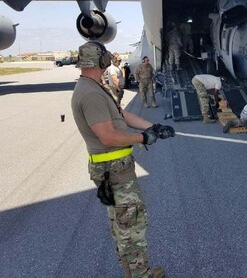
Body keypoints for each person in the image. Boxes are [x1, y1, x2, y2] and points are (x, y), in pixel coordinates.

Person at [71, 41, 175, 278]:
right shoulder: (90, 94)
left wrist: (154, 127)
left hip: (114, 169)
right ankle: (140, 275)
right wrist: (142, 138)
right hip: (114, 169)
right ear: (100, 60)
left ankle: (133, 270)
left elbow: (122, 115)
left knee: (122, 223)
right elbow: (107, 136)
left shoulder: (95, 86)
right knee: (132, 224)